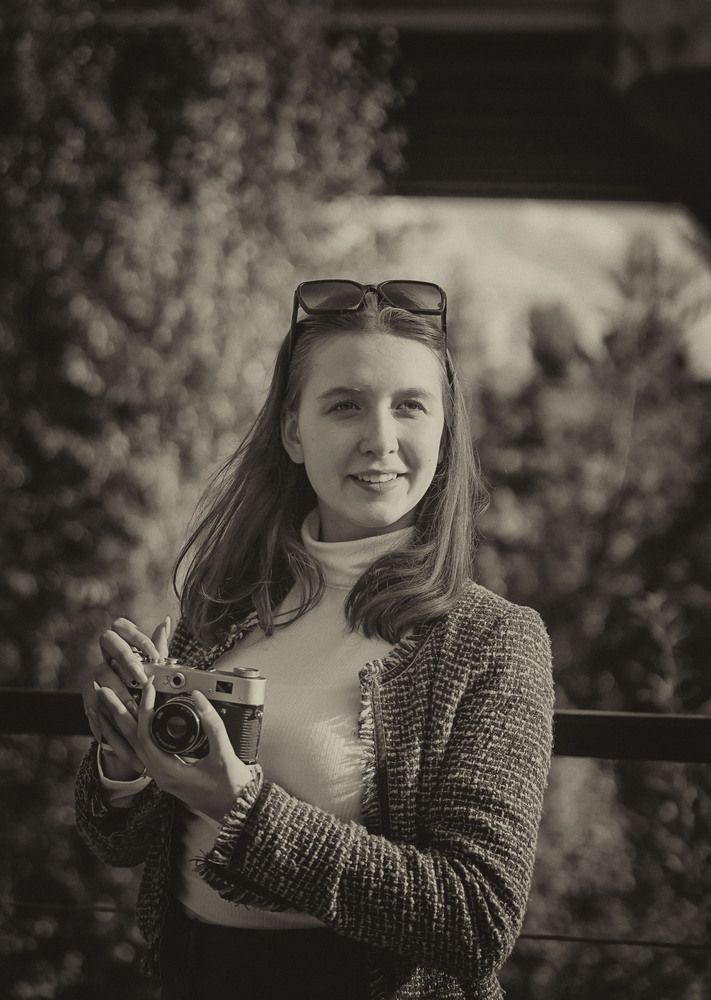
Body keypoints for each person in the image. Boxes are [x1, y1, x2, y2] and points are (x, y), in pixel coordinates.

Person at [75, 279, 555, 1000]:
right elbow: (120, 843)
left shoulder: (491, 641)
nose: (380, 439)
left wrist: (241, 805)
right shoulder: (226, 603)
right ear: (293, 432)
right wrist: (126, 762)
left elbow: (476, 916)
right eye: (345, 405)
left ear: (445, 431)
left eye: (410, 406)